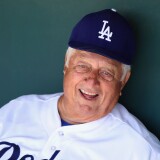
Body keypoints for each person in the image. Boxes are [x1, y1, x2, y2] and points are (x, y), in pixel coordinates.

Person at [0, 8, 159, 160]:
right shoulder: (17, 110)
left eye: (106, 72)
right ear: (66, 64)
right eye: (83, 66)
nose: (91, 80)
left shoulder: (141, 150)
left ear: (123, 81)